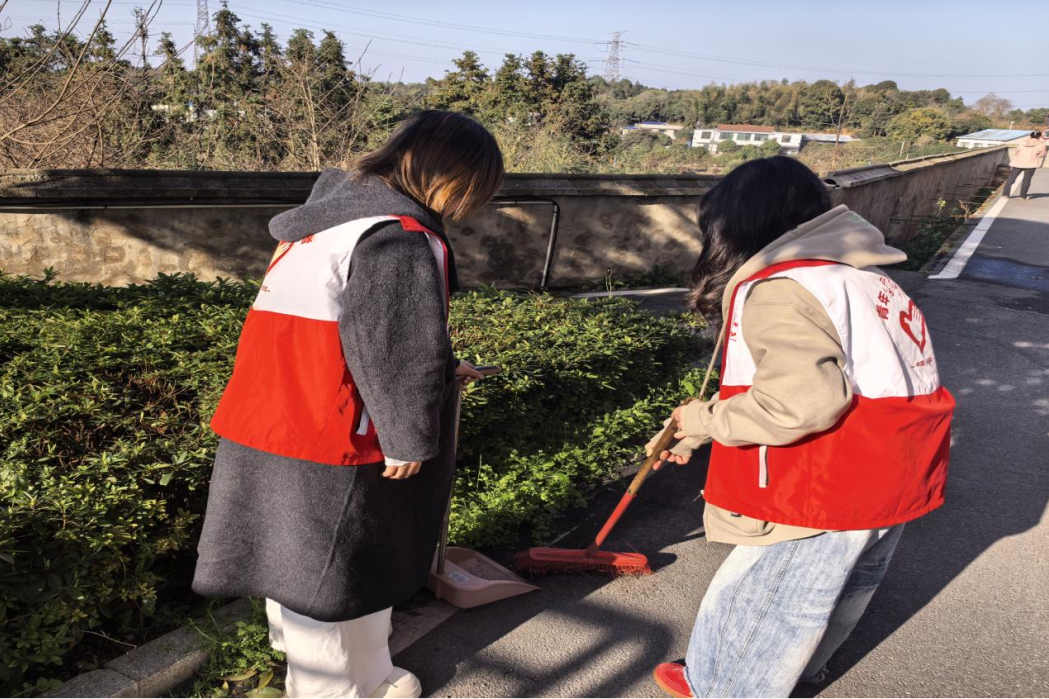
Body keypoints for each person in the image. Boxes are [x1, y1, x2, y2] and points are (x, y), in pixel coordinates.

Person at [192, 110, 504, 699]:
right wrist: (408, 437)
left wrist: (444, 367)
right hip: (334, 437)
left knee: (306, 570)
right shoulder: (397, 235)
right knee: (332, 578)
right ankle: (335, 691)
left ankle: (369, 675)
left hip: (270, 418)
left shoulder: (325, 223)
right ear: (453, 176)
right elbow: (394, 348)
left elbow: (347, 331)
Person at [647, 157, 955, 699]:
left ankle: (724, 687)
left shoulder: (783, 287)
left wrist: (701, 417)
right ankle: (798, 672)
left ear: (734, 225)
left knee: (764, 599)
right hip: (896, 466)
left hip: (827, 480)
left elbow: (801, 404)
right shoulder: (863, 277)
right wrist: (700, 430)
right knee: (842, 588)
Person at [1003, 131, 1046, 199]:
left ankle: (1005, 194)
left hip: (1018, 163)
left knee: (1011, 178)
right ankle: (1023, 196)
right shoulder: (1041, 144)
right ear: (1039, 136)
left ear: (1030, 136)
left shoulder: (1022, 142)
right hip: (1031, 164)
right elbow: (1042, 154)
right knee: (1026, 180)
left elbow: (1016, 152)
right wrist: (1036, 156)